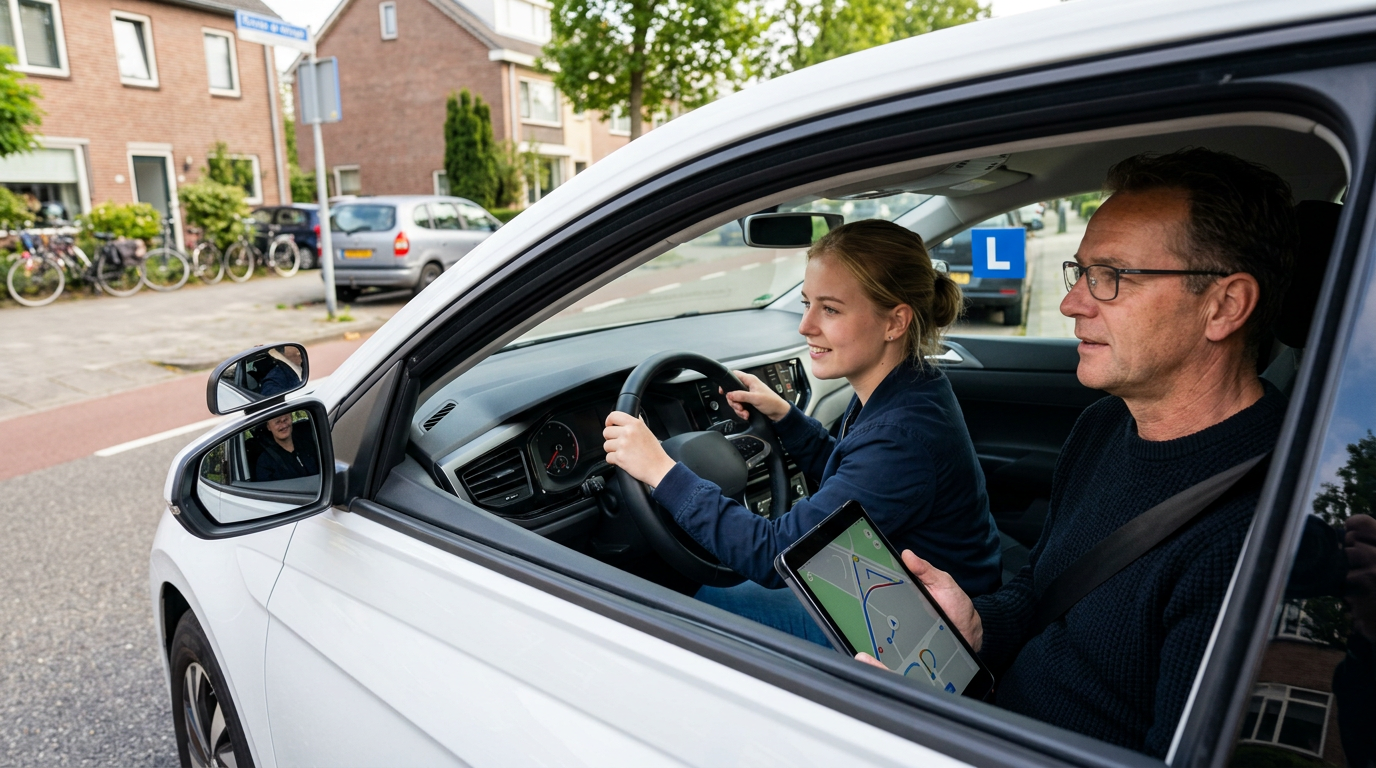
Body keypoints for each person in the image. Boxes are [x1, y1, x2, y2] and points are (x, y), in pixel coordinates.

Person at [857, 148, 1297, 757]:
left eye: (1112, 276)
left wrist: (927, 733)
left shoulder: (1252, 533)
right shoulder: (1104, 427)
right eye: (1080, 271)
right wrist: (978, 629)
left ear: (1224, 305)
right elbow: (1044, 587)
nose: (1072, 303)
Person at [603, 219, 1002, 645]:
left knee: (698, 607)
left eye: (830, 309)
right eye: (807, 302)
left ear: (895, 322)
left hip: (924, 634)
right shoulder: (909, 385)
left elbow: (776, 555)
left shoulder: (900, 434)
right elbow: (853, 479)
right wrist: (785, 417)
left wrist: (662, 471)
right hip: (904, 591)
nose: (805, 325)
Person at [253, 412, 320, 481]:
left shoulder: (308, 445)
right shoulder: (265, 461)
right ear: (269, 426)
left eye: (285, 419)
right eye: (277, 422)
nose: (283, 425)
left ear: (291, 418)